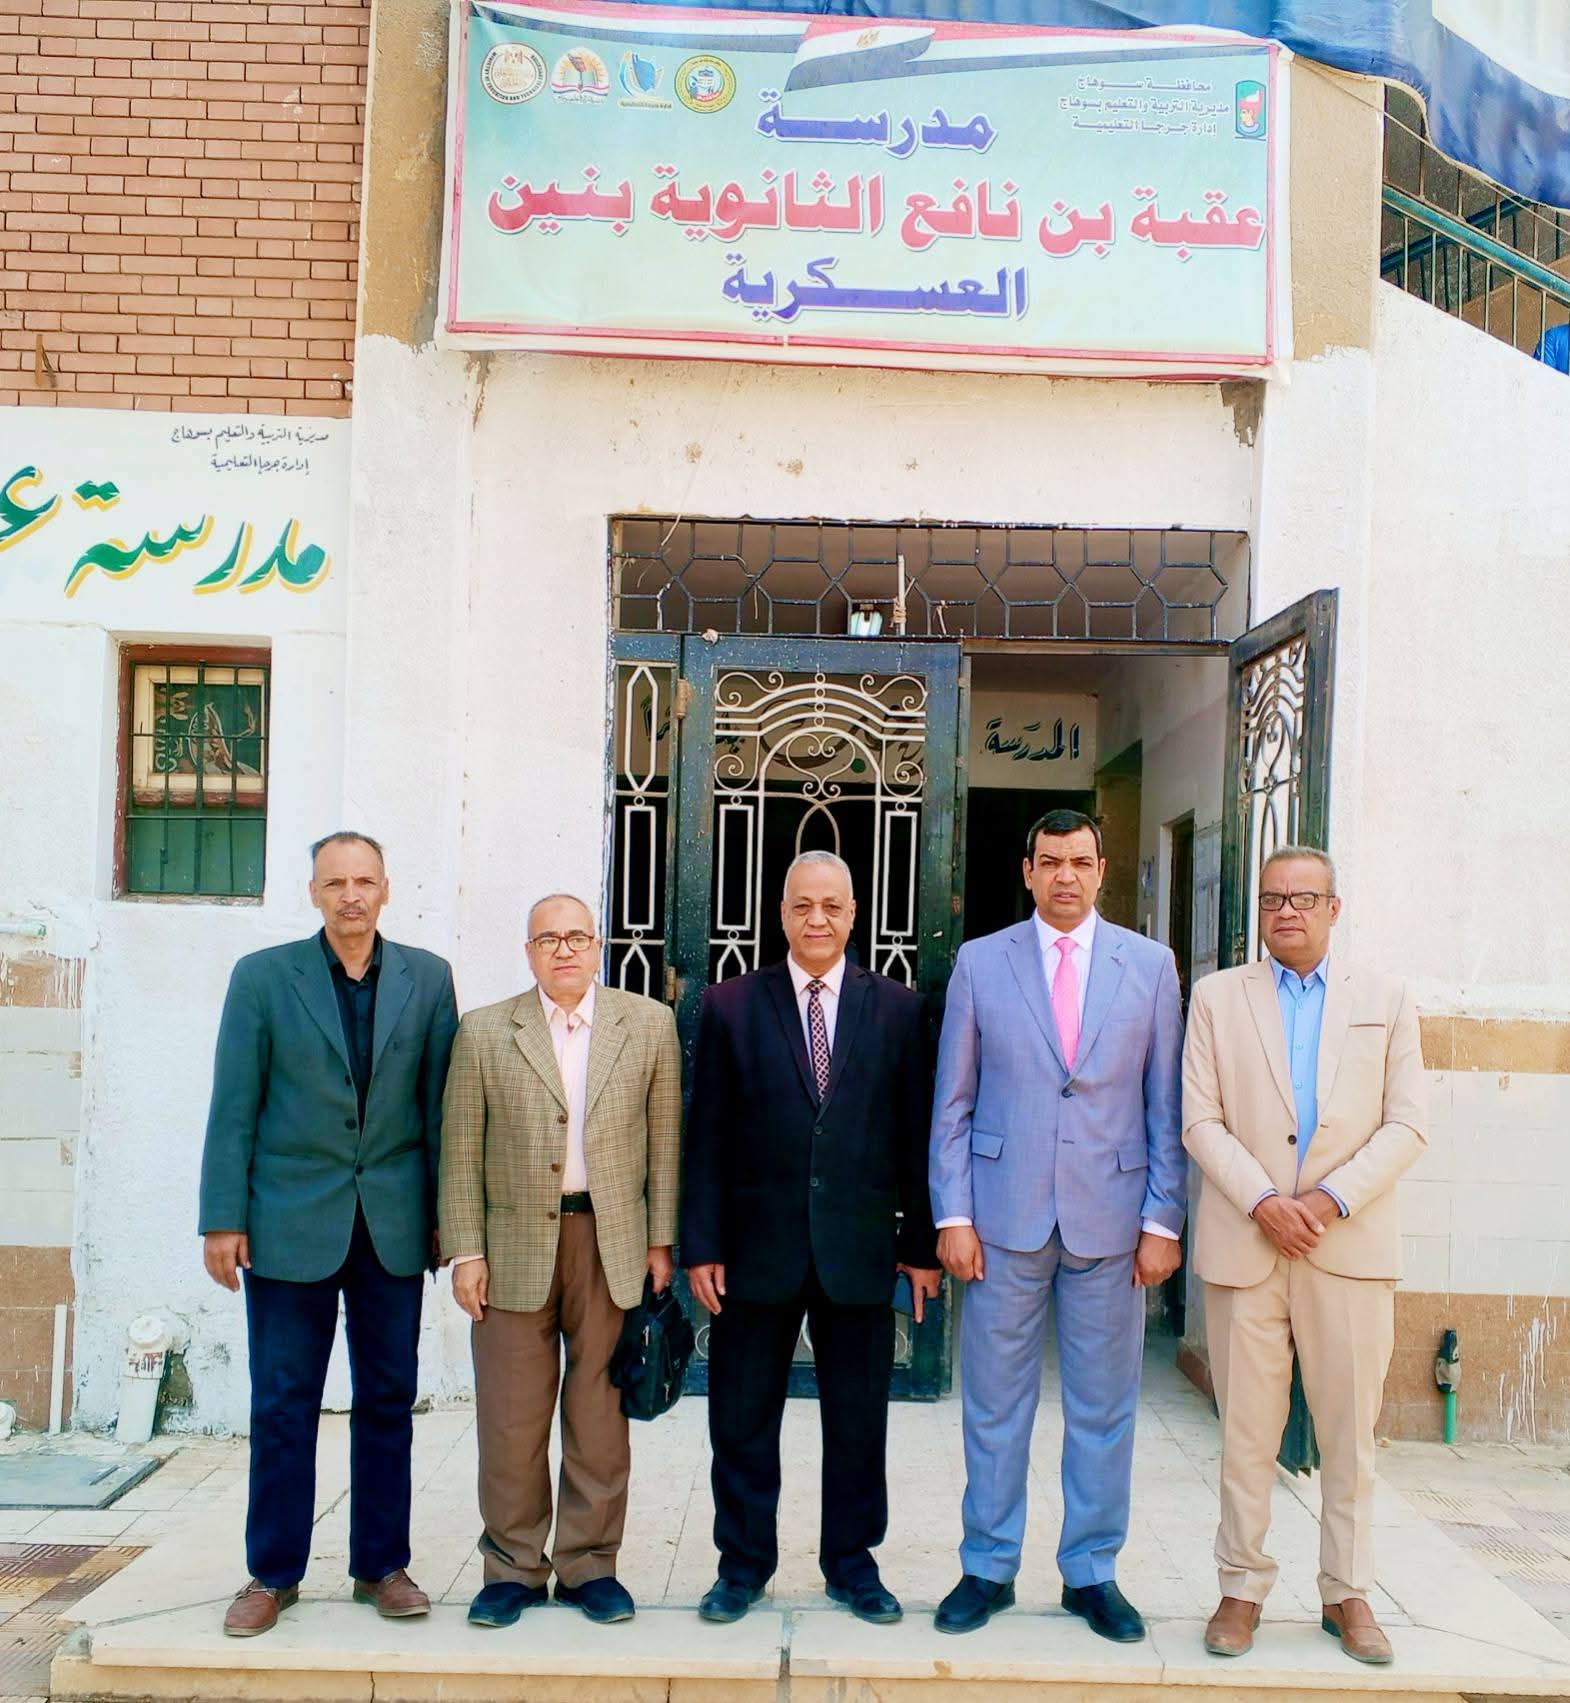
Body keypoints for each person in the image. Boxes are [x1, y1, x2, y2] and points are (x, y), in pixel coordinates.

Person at [929, 809, 1184, 1643]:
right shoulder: (981, 961)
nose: (1065, 875)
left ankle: (1092, 1570)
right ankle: (988, 1565)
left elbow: (1165, 1104)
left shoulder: (1150, 967)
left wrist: (1163, 1218)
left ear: (1102, 869)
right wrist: (953, 1212)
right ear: (1028, 870)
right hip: (1002, 1219)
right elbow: (953, 1102)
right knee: (993, 1403)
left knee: (1105, 1407)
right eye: (1050, 861)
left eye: (1080, 860)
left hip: (1112, 1219)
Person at [199, 831, 458, 1637]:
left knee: (387, 1397)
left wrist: (447, 1221)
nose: (351, 895)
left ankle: (381, 1565)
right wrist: (222, 1218)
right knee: (283, 1401)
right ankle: (272, 1573)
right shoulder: (263, 978)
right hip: (286, 1222)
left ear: (386, 889)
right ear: (313, 891)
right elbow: (233, 1103)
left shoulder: (428, 978)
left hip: (392, 1223)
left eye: (364, 881)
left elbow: (440, 1109)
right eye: (335, 882)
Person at [682, 851, 941, 1626]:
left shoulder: (898, 1009)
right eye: (803, 905)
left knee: (859, 1418)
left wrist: (921, 1248)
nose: (817, 918)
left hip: (858, 1250)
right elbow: (707, 1133)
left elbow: (917, 1136)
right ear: (782, 913)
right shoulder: (730, 1005)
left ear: (854, 913)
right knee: (741, 1416)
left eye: (832, 905)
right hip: (754, 1249)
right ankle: (741, 1565)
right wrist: (702, 1243)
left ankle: (852, 1564)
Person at [1183, 846, 1425, 1666]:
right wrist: (1263, 1199)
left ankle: (1347, 1591)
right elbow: (1200, 1119)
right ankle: (1240, 1586)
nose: (1286, 910)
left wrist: (1326, 1200)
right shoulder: (1217, 997)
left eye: (1304, 897)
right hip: (1247, 1243)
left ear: (1334, 907)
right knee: (1246, 1434)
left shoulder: (1387, 998)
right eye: (1273, 898)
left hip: (1345, 1245)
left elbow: (1408, 1123)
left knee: (1350, 1435)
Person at [439, 894, 681, 1629]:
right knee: (511, 1418)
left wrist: (660, 1242)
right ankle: (512, 1568)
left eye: (577, 936)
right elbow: (460, 1148)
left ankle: (589, 1565)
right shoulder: (486, 1031)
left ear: (599, 945)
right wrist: (466, 1251)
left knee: (600, 1413)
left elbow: (664, 1139)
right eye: (548, 938)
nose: (565, 949)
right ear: (530, 951)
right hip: (511, 1245)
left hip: (611, 1241)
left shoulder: (648, 1024)